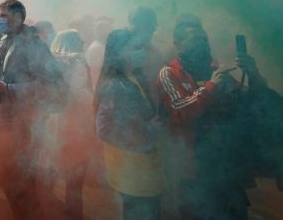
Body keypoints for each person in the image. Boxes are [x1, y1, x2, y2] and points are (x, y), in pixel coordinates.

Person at [0, 0, 67, 220]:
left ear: (20, 18)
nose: (0, 21)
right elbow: (3, 75)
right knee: (5, 177)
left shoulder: (34, 45)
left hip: (26, 123)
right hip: (5, 121)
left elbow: (52, 85)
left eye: (5, 17)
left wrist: (9, 88)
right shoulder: (5, 40)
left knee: (22, 183)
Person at [156, 22, 246, 219]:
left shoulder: (214, 68)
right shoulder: (169, 73)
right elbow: (180, 112)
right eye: (195, 40)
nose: (202, 44)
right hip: (193, 164)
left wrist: (251, 73)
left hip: (224, 160)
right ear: (177, 44)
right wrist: (211, 86)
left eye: (204, 40)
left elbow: (242, 104)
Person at [94, 29, 163, 220]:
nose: (142, 52)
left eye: (142, 47)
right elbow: (104, 130)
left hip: (145, 173)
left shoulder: (136, 78)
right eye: (136, 48)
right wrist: (150, 133)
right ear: (119, 53)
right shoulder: (116, 86)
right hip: (133, 176)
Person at [50, 29, 95, 220]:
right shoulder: (77, 60)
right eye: (78, 39)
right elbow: (80, 94)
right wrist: (95, 99)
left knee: (50, 173)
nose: (83, 42)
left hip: (52, 124)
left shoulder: (50, 60)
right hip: (75, 125)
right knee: (75, 180)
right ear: (70, 41)